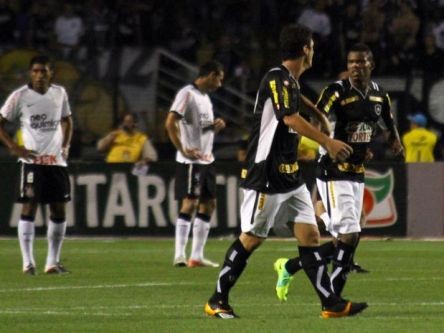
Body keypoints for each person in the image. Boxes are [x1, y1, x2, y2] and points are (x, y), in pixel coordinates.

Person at [204, 24, 368, 319]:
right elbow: (290, 118)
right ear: (305, 48)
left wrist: (317, 113)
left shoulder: (290, 83)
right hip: (266, 174)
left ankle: (330, 304)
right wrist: (328, 142)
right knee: (251, 238)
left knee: (310, 238)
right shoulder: (276, 77)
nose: (314, 51)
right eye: (313, 46)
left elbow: (297, 105)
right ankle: (217, 299)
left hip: (291, 176)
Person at [274, 43, 403, 301]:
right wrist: (327, 139)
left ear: (371, 65)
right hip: (332, 169)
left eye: (361, 62)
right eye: (352, 62)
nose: (356, 66)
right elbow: (316, 118)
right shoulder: (336, 91)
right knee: (351, 232)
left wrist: (395, 143)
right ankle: (333, 298)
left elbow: (387, 124)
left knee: (348, 236)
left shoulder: (379, 95)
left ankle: (290, 266)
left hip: (356, 170)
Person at [0, 55, 73, 275]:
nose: (39, 75)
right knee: (29, 206)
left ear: (52, 73)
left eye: (43, 71)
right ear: (30, 73)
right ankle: (27, 262)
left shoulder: (59, 93)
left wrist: (66, 145)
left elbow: (67, 120)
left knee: (58, 208)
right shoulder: (20, 96)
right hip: (32, 162)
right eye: (35, 71)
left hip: (56, 162)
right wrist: (15, 147)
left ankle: (52, 262)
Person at [165, 60, 226, 268]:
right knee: (190, 203)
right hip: (192, 160)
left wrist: (213, 126)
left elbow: (198, 127)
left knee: (208, 204)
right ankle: (179, 255)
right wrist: (182, 149)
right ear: (210, 74)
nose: (220, 83)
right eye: (219, 78)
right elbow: (170, 121)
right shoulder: (187, 93)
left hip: (207, 159)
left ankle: (196, 256)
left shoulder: (205, 98)